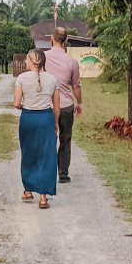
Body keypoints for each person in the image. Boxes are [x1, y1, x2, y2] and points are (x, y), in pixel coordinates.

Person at [14, 48, 60, 209]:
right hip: (46, 119)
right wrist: (55, 123)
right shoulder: (53, 79)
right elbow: (57, 107)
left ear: (33, 62)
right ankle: (43, 197)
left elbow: (16, 103)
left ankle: (28, 190)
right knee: (46, 156)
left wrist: (26, 106)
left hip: (28, 119)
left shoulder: (21, 78)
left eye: (27, 59)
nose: (25, 61)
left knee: (29, 153)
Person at [43, 27, 83, 183]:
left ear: (52, 38)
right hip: (66, 106)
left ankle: (48, 171)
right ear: (66, 40)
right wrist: (80, 103)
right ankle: (63, 173)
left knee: (48, 139)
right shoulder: (72, 61)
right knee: (65, 139)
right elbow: (76, 86)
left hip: (47, 105)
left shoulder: (43, 57)